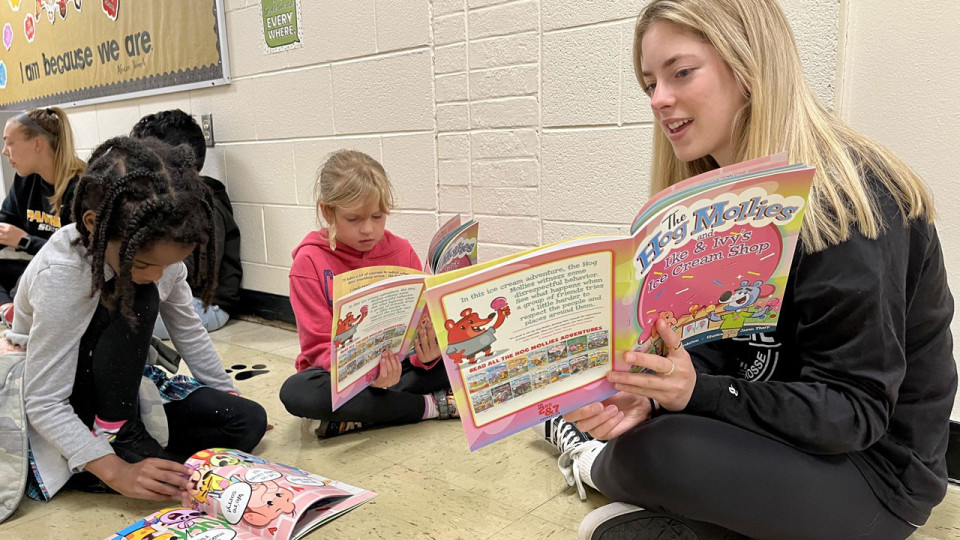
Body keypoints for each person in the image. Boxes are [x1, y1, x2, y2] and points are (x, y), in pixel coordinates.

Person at [537, 1, 957, 539]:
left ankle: (592, 462)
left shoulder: (852, 205)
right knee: (654, 428)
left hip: (877, 474)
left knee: (661, 452)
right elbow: (730, 349)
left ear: (749, 63)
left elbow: (854, 412)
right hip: (787, 429)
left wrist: (696, 396)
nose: (659, 99)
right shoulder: (725, 204)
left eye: (681, 72)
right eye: (649, 84)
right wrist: (651, 390)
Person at [6, 136, 267, 503]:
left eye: (168, 264)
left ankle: (120, 436)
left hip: (119, 385)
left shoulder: (161, 260)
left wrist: (225, 392)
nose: (158, 275)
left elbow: (189, 331)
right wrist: (118, 472)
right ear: (95, 225)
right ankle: (108, 444)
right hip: (59, 390)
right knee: (139, 295)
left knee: (245, 421)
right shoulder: (64, 272)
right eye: (144, 263)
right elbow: (44, 400)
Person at [279, 149, 455, 438]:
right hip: (339, 377)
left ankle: (363, 414)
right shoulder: (308, 262)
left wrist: (429, 354)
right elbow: (317, 347)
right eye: (354, 219)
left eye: (377, 216)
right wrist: (368, 376)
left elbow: (419, 331)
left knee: (466, 352)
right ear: (327, 212)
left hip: (401, 370)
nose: (368, 229)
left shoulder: (402, 251)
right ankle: (429, 407)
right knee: (299, 393)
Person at [130, 109, 242, 338]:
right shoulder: (159, 199)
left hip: (207, 306)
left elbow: (185, 273)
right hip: (173, 296)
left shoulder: (205, 204)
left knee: (123, 320)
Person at [0, 107, 84, 322]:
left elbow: (80, 254)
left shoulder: (83, 185)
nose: (4, 151)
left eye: (10, 143)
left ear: (37, 144)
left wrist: (25, 241)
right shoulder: (25, 179)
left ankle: (14, 311)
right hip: (34, 269)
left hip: (68, 276)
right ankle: (7, 309)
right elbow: (5, 221)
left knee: (33, 280)